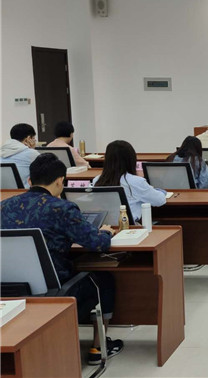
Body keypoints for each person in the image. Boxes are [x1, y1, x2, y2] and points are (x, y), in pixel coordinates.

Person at [0, 154, 124, 364]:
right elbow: (97, 244)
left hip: (8, 288)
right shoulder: (62, 208)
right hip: (53, 290)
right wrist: (105, 232)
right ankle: (98, 348)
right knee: (103, 280)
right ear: (60, 181)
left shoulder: (4, 206)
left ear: (29, 180)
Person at [93, 140, 166, 222]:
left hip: (104, 225)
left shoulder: (97, 180)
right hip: (128, 226)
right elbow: (160, 201)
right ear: (131, 159)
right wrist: (162, 191)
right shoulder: (136, 182)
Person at [1, 123, 40, 187]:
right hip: (23, 191)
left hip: (4, 191)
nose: (35, 140)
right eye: (33, 138)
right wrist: (32, 149)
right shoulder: (32, 154)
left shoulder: (2, 151)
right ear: (28, 138)